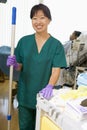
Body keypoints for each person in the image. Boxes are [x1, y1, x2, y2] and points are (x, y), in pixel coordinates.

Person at [6, 3, 67, 130]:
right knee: (25, 126)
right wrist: (15, 64)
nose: (38, 22)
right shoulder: (24, 41)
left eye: (42, 17)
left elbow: (56, 70)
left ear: (49, 20)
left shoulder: (56, 45)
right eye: (34, 18)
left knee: (42, 126)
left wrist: (50, 86)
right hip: (25, 95)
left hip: (45, 96)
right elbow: (19, 67)